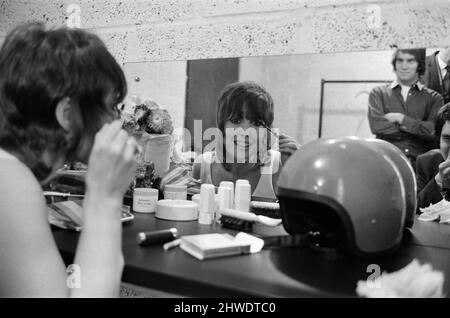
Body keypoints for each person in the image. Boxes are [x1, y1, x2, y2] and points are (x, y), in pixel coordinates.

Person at [0, 23, 138, 296]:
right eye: (112, 106)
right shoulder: (11, 183)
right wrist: (104, 198)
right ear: (68, 113)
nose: (117, 120)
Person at [192, 81, 300, 201]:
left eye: (257, 123)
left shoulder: (280, 166)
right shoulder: (202, 167)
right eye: (236, 120)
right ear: (222, 126)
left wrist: (302, 166)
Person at [368, 48, 444, 168]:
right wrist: (418, 129)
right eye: (400, 61)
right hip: (386, 162)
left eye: (410, 61)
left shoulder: (434, 98)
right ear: (395, 64)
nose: (404, 66)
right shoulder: (378, 93)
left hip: (420, 166)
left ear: (419, 65)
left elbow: (434, 131)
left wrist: (402, 119)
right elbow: (377, 126)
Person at [416, 103, 450, 209]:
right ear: (438, 139)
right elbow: (416, 213)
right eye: (447, 139)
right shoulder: (427, 163)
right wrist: (439, 182)